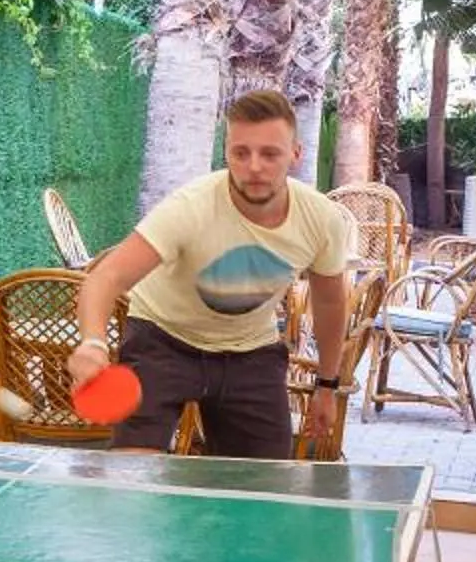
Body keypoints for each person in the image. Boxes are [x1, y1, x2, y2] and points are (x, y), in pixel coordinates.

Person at [70, 87, 354, 456]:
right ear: (226, 154)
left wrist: (327, 385)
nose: (254, 166)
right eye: (241, 153)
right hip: (163, 341)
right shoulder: (190, 207)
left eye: (270, 154)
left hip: (251, 352)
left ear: (295, 155)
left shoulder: (321, 218)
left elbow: (331, 302)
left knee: (262, 491)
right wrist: (92, 343)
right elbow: (107, 278)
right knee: (131, 477)